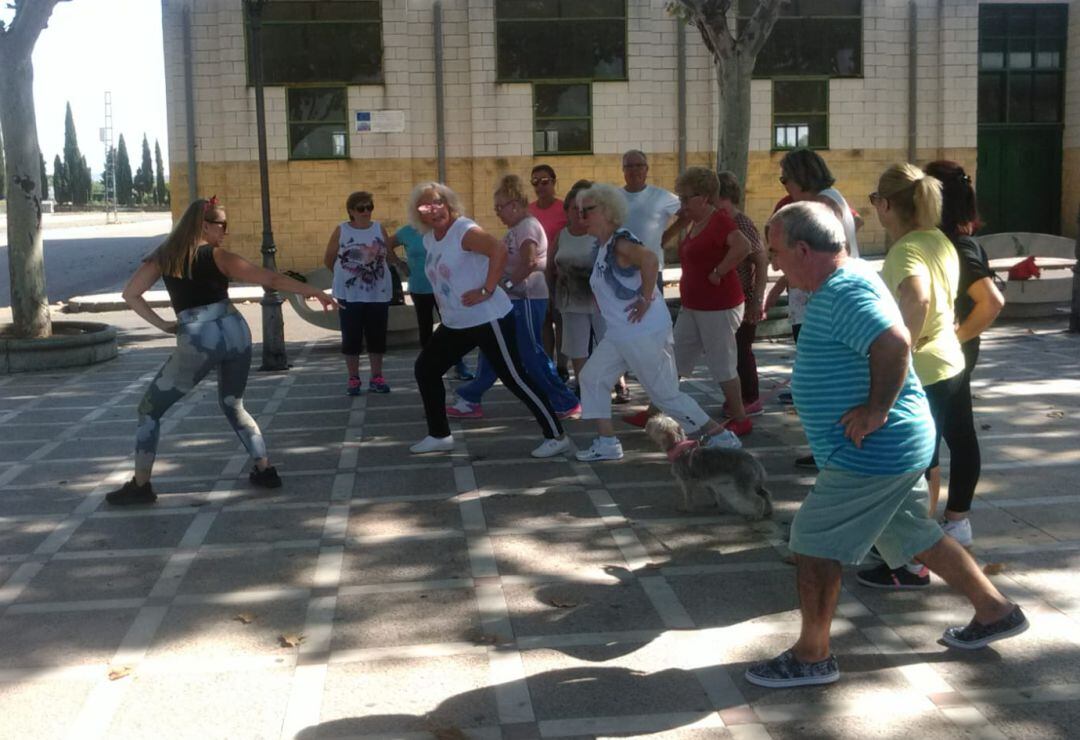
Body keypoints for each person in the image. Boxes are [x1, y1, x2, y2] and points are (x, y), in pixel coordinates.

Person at [745, 201, 1027, 689]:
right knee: (914, 534)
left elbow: (895, 342)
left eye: (776, 252)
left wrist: (876, 409)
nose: (774, 264)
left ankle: (812, 656)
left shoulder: (845, 289)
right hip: (892, 446)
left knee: (812, 541)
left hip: (877, 449)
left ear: (805, 250)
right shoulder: (844, 279)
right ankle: (994, 610)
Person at [106, 197, 335, 505]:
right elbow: (269, 278)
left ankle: (141, 485)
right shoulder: (218, 256)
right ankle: (265, 469)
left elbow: (131, 294)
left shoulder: (165, 256)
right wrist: (314, 291)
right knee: (233, 404)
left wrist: (162, 324)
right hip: (235, 330)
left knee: (149, 410)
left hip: (199, 337)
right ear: (203, 226)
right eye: (222, 225)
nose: (226, 231)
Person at [856, 163, 968, 590]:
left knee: (911, 466)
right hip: (949, 362)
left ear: (885, 205)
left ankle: (913, 561)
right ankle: (911, 550)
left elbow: (918, 299)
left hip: (921, 369)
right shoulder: (938, 239)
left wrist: (898, 349)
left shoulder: (905, 249)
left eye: (875, 202)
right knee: (929, 461)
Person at [573, 183, 741, 462]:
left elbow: (650, 260)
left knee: (664, 395)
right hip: (621, 333)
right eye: (579, 211)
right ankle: (607, 442)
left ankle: (720, 436)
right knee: (591, 377)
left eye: (586, 211)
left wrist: (645, 297)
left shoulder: (621, 242)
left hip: (641, 332)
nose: (581, 217)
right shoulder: (603, 246)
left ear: (605, 211)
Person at [408, 182, 570, 458]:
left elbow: (499, 250)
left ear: (448, 204)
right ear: (419, 214)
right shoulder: (429, 239)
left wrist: (487, 289)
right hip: (456, 323)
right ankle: (439, 434)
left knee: (514, 377)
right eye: (426, 206)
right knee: (426, 369)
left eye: (438, 203)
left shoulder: (464, 230)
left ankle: (556, 435)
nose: (434, 210)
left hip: (488, 317)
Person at [622, 167, 753, 436]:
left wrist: (719, 271)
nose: (681, 204)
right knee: (674, 358)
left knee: (722, 362)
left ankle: (740, 417)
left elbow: (744, 247)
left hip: (719, 306)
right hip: (694, 305)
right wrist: (679, 224)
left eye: (686, 198)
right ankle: (653, 410)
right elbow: (664, 242)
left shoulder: (720, 221)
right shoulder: (696, 221)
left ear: (704, 197)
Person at [447, 175, 580, 420]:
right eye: (496, 207)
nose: (498, 212)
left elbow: (529, 260)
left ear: (516, 205)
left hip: (526, 298)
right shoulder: (516, 229)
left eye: (501, 207)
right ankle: (471, 397)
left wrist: (506, 284)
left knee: (530, 353)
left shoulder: (527, 227)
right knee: (493, 347)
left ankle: (564, 400)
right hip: (513, 300)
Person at [923, 160, 1005, 548]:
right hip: (953, 354)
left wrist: (955, 338)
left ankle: (943, 524)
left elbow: (991, 301)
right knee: (954, 431)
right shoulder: (950, 241)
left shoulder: (957, 246)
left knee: (933, 437)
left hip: (950, 356)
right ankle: (955, 522)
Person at [765, 149, 861, 470]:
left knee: (822, 381)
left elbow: (813, 255)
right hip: (813, 299)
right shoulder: (834, 198)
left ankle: (831, 449)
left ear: (801, 176)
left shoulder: (820, 204)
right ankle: (826, 446)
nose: (784, 187)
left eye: (785, 179)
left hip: (817, 303)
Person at [323, 191, 399, 395]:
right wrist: (346, 274)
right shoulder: (341, 230)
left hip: (377, 292)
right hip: (350, 293)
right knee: (351, 335)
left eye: (369, 207)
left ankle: (377, 376)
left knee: (377, 335)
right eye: (361, 208)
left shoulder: (378, 228)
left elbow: (389, 255)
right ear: (351, 211)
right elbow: (329, 259)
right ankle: (354, 378)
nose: (366, 212)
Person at [387, 222, 474, 381]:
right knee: (425, 326)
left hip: (444, 287)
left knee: (452, 324)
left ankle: (459, 364)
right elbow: (386, 245)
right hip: (420, 286)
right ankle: (429, 366)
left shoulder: (442, 228)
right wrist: (400, 264)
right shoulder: (408, 231)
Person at [715, 171, 768, 418]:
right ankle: (736, 397)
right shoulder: (714, 222)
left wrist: (757, 299)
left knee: (741, 349)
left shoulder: (742, 223)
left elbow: (760, 259)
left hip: (744, 298)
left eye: (718, 200)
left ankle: (751, 397)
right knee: (728, 352)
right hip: (723, 299)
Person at [548, 179, 605, 388]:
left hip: (600, 302)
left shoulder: (600, 234)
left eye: (584, 208)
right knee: (577, 349)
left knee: (607, 344)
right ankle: (585, 387)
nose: (579, 212)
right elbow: (549, 265)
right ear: (567, 211)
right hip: (570, 301)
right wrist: (552, 293)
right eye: (574, 208)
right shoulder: (562, 235)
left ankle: (616, 383)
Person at [527, 164, 571, 381]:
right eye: (535, 182)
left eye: (545, 181)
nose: (540, 186)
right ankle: (548, 364)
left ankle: (563, 367)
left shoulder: (564, 209)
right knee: (544, 320)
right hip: (537, 275)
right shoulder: (529, 211)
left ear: (554, 182)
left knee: (560, 319)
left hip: (561, 273)